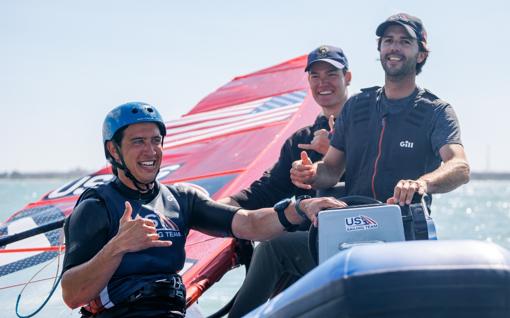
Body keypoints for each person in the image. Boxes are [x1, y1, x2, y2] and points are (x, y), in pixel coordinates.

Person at [60, 102, 346, 318]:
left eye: (155, 141)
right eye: (138, 142)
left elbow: (250, 223)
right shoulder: (96, 206)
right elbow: (73, 295)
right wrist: (118, 246)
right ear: (113, 150)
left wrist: (300, 207)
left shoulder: (180, 199)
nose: (150, 151)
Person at [223, 45, 351, 317]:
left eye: (331, 74)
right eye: (315, 76)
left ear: (347, 78)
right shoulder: (300, 140)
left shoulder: (371, 127)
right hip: (311, 246)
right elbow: (268, 190)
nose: (323, 83)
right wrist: (215, 209)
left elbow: (375, 177)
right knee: (280, 241)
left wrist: (332, 153)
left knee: (273, 249)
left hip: (358, 236)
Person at [291, 13, 470, 205]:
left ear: (421, 55)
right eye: (388, 40)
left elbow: (460, 166)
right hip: (352, 221)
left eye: (405, 41)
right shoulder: (354, 106)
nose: (394, 47)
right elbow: (331, 169)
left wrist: (422, 184)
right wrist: (311, 172)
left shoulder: (436, 112)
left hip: (407, 225)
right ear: (380, 49)